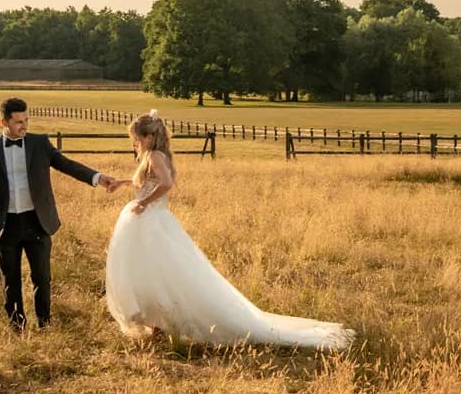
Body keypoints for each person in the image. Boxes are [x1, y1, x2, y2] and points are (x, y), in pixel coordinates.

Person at [105, 110, 353, 350]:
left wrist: (144, 203)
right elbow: (148, 182)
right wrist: (123, 183)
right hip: (153, 220)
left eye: (136, 140)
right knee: (155, 270)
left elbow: (166, 184)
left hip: (151, 220)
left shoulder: (155, 156)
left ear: (148, 138)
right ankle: (157, 323)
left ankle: (161, 322)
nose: (135, 144)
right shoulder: (157, 155)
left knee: (159, 271)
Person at [0, 97, 128, 330]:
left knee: (42, 277)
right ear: (4, 121)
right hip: (6, 224)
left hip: (37, 221)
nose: (24, 125)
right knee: (10, 280)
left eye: (26, 120)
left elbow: (66, 164)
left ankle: (45, 324)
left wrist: (98, 178)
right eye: (18, 121)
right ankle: (17, 327)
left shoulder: (39, 143)